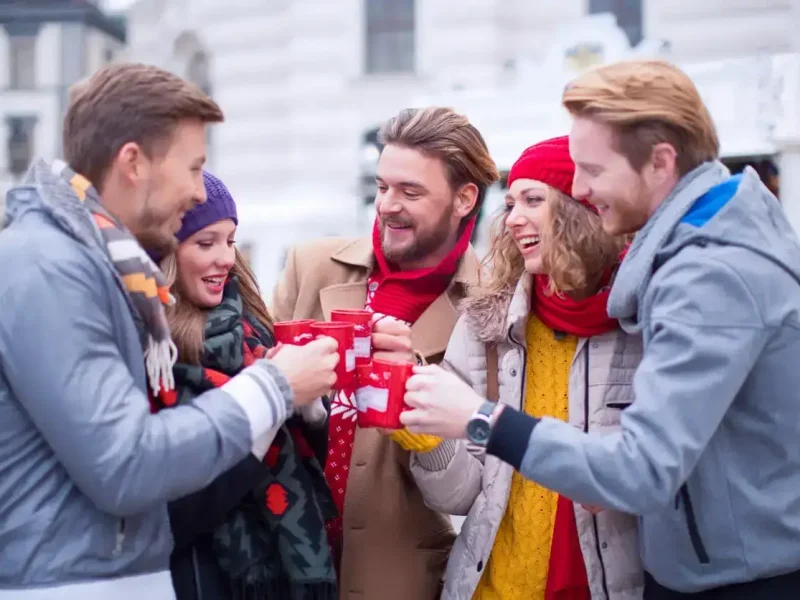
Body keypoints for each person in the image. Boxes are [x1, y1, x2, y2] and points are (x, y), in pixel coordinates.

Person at [400, 59, 800, 599]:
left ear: (660, 162)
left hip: (737, 579)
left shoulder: (709, 273)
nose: (582, 188)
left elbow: (642, 469)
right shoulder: (703, 249)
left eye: (591, 170)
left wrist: (481, 420)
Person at [0, 63, 337, 599]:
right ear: (133, 163)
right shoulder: (50, 268)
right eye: (194, 167)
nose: (198, 189)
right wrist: (273, 387)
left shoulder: (99, 266)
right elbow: (125, 464)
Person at [399, 136, 643, 600]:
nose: (512, 218)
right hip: (494, 588)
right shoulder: (484, 327)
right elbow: (457, 497)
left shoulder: (642, 323)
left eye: (533, 199)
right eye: (509, 203)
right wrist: (425, 432)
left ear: (582, 208)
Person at [272, 106, 500, 599]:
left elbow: (466, 494)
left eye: (410, 192)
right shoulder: (310, 267)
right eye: (381, 187)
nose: (387, 205)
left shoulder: (489, 315)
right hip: (282, 562)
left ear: (464, 199)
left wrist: (414, 390)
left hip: (398, 581)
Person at [157, 171, 338, 600]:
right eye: (206, 243)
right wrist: (271, 400)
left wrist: (309, 408)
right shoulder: (150, 347)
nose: (225, 258)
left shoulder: (251, 323)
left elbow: (305, 461)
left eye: (231, 240)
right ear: (165, 251)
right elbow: (175, 507)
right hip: (200, 577)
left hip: (283, 576)